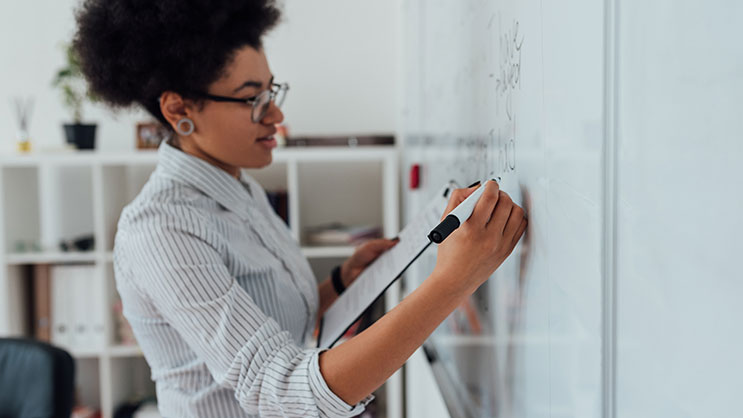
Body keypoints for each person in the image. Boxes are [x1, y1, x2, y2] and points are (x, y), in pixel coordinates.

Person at [73, 0, 528, 416]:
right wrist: (452, 281)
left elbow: (269, 319)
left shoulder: (239, 187)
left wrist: (341, 282)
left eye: (272, 92)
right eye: (253, 99)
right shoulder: (160, 230)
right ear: (178, 109)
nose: (275, 116)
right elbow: (284, 391)